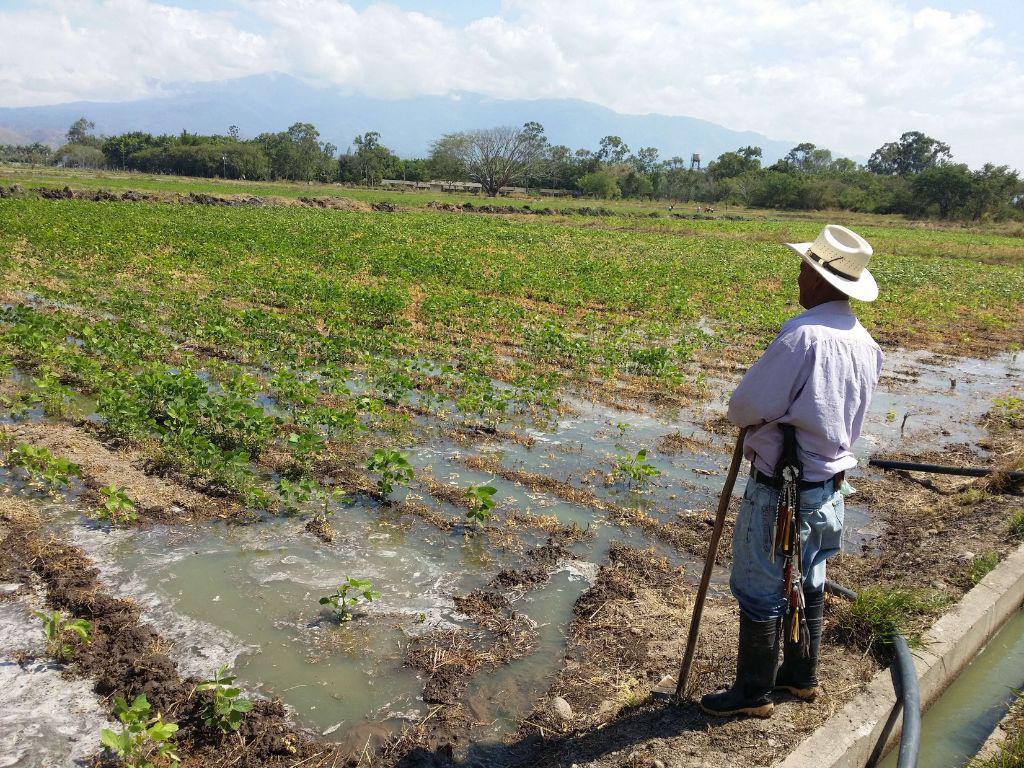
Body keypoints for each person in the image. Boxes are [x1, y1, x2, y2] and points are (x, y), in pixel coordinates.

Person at [700, 224, 884, 718]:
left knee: (761, 587)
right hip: (829, 489)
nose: (799, 277)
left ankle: (752, 694)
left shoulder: (802, 337)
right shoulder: (864, 342)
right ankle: (801, 678)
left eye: (804, 269)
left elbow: (745, 407)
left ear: (822, 280)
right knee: (810, 577)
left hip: (781, 492)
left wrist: (761, 419)